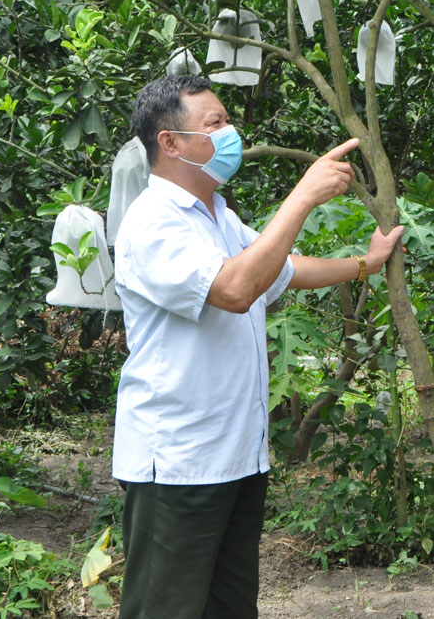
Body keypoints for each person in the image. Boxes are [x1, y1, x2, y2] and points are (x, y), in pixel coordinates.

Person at [111, 75, 404, 619]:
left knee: (229, 607)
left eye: (227, 120)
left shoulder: (218, 215)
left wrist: (367, 263)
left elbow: (280, 270)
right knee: (165, 609)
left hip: (236, 456)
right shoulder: (153, 223)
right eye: (214, 124)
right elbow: (237, 289)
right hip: (179, 463)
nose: (231, 133)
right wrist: (304, 195)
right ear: (170, 142)